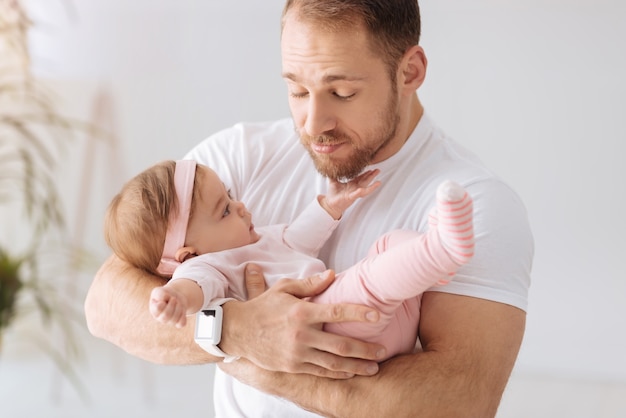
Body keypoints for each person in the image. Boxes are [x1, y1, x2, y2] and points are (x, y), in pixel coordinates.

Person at [84, 0, 533, 416]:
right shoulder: (240, 156)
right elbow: (106, 304)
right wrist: (235, 331)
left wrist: (262, 361)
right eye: (298, 91)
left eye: (341, 92)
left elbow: (458, 403)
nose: (314, 124)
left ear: (410, 71)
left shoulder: (474, 204)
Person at [104, 159, 474, 362]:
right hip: (329, 323)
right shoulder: (207, 267)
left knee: (388, 245)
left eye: (231, 196)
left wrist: (331, 205)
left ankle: (430, 248)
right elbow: (194, 288)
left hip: (386, 324)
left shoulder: (259, 238)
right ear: (189, 254)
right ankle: (442, 251)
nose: (241, 207)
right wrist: (176, 299)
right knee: (366, 280)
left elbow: (299, 238)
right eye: (224, 212)